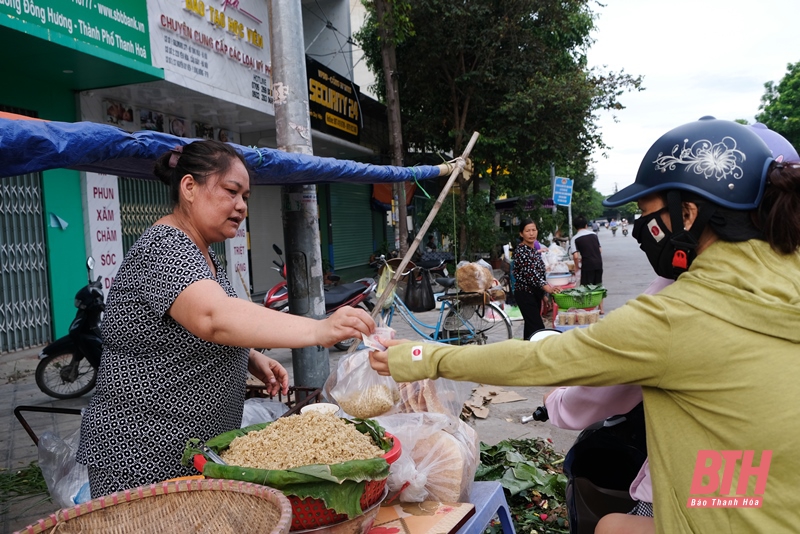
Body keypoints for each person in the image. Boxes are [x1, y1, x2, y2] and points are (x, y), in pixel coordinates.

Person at [369, 117, 800, 533]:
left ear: (687, 214)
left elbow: (538, 361)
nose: (641, 230)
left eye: (647, 214)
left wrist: (420, 355)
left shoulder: (679, 314)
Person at [77, 140, 375, 498]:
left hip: (193, 448)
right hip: (146, 449)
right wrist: (318, 328)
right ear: (189, 187)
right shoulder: (164, 246)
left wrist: (250, 356)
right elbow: (211, 317)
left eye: (246, 197)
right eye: (231, 191)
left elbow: (199, 327)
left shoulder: (204, 253)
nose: (241, 206)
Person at [512, 219, 560, 339]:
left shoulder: (533, 250)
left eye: (534, 230)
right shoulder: (521, 251)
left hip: (534, 294)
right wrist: (548, 289)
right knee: (538, 329)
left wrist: (543, 295)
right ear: (521, 234)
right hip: (525, 294)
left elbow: (540, 274)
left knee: (530, 329)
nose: (531, 233)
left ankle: (526, 353)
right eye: (528, 231)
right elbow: (531, 274)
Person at [571, 215, 604, 313]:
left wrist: (576, 266)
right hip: (598, 263)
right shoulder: (594, 234)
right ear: (586, 225)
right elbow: (600, 250)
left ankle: (588, 308)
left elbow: (576, 256)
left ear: (575, 227)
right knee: (598, 285)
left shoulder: (575, 238)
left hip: (587, 265)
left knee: (586, 287)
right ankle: (601, 308)